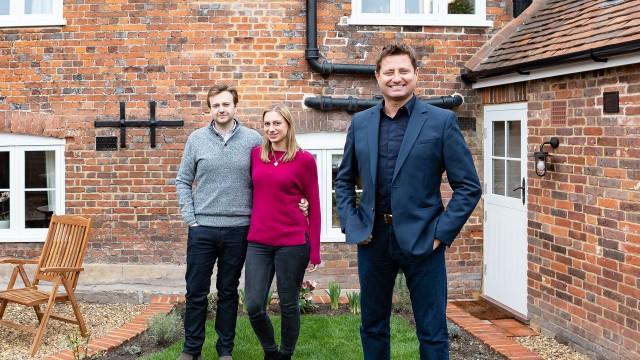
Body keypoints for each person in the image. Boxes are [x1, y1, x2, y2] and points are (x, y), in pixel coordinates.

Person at [335, 44, 482, 360]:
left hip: (423, 240)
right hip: (373, 240)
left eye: (403, 71)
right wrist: (352, 222)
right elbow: (344, 180)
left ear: (416, 75)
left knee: (432, 332)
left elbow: (468, 187)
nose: (396, 78)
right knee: (372, 326)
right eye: (389, 72)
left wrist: (441, 234)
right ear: (378, 77)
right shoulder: (361, 123)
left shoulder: (440, 122)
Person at [175, 85, 308, 360]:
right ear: (209, 108)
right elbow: (183, 180)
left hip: (239, 229)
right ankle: (191, 350)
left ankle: (225, 350)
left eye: (226, 104)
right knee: (196, 292)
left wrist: (300, 199)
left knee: (227, 292)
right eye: (215, 105)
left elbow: (280, 166)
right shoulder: (196, 139)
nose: (221, 109)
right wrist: (192, 219)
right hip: (203, 228)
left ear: (235, 106)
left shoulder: (252, 140)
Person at [244, 104, 321, 360]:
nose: (271, 129)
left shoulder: (305, 160)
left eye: (277, 123)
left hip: (293, 243)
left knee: (288, 304)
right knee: (253, 304)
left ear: (288, 125)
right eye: (267, 124)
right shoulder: (256, 155)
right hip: (259, 242)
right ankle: (270, 351)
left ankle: (285, 355)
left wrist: (316, 251)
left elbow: (316, 206)